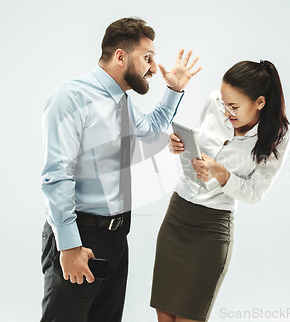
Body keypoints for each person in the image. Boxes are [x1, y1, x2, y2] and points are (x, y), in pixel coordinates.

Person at [40, 17, 201, 322]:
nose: (153, 69)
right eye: (147, 58)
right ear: (120, 57)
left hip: (115, 238)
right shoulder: (71, 98)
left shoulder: (121, 101)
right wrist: (70, 246)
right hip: (79, 236)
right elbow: (57, 175)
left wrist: (174, 90)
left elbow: (153, 130)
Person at [150, 60, 290, 322]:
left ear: (259, 102)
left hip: (212, 228)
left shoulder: (279, 135)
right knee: (165, 315)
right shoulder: (215, 102)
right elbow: (197, 142)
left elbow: (256, 192)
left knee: (188, 317)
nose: (226, 111)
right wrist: (179, 146)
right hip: (177, 215)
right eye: (225, 103)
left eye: (234, 107)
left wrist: (222, 173)